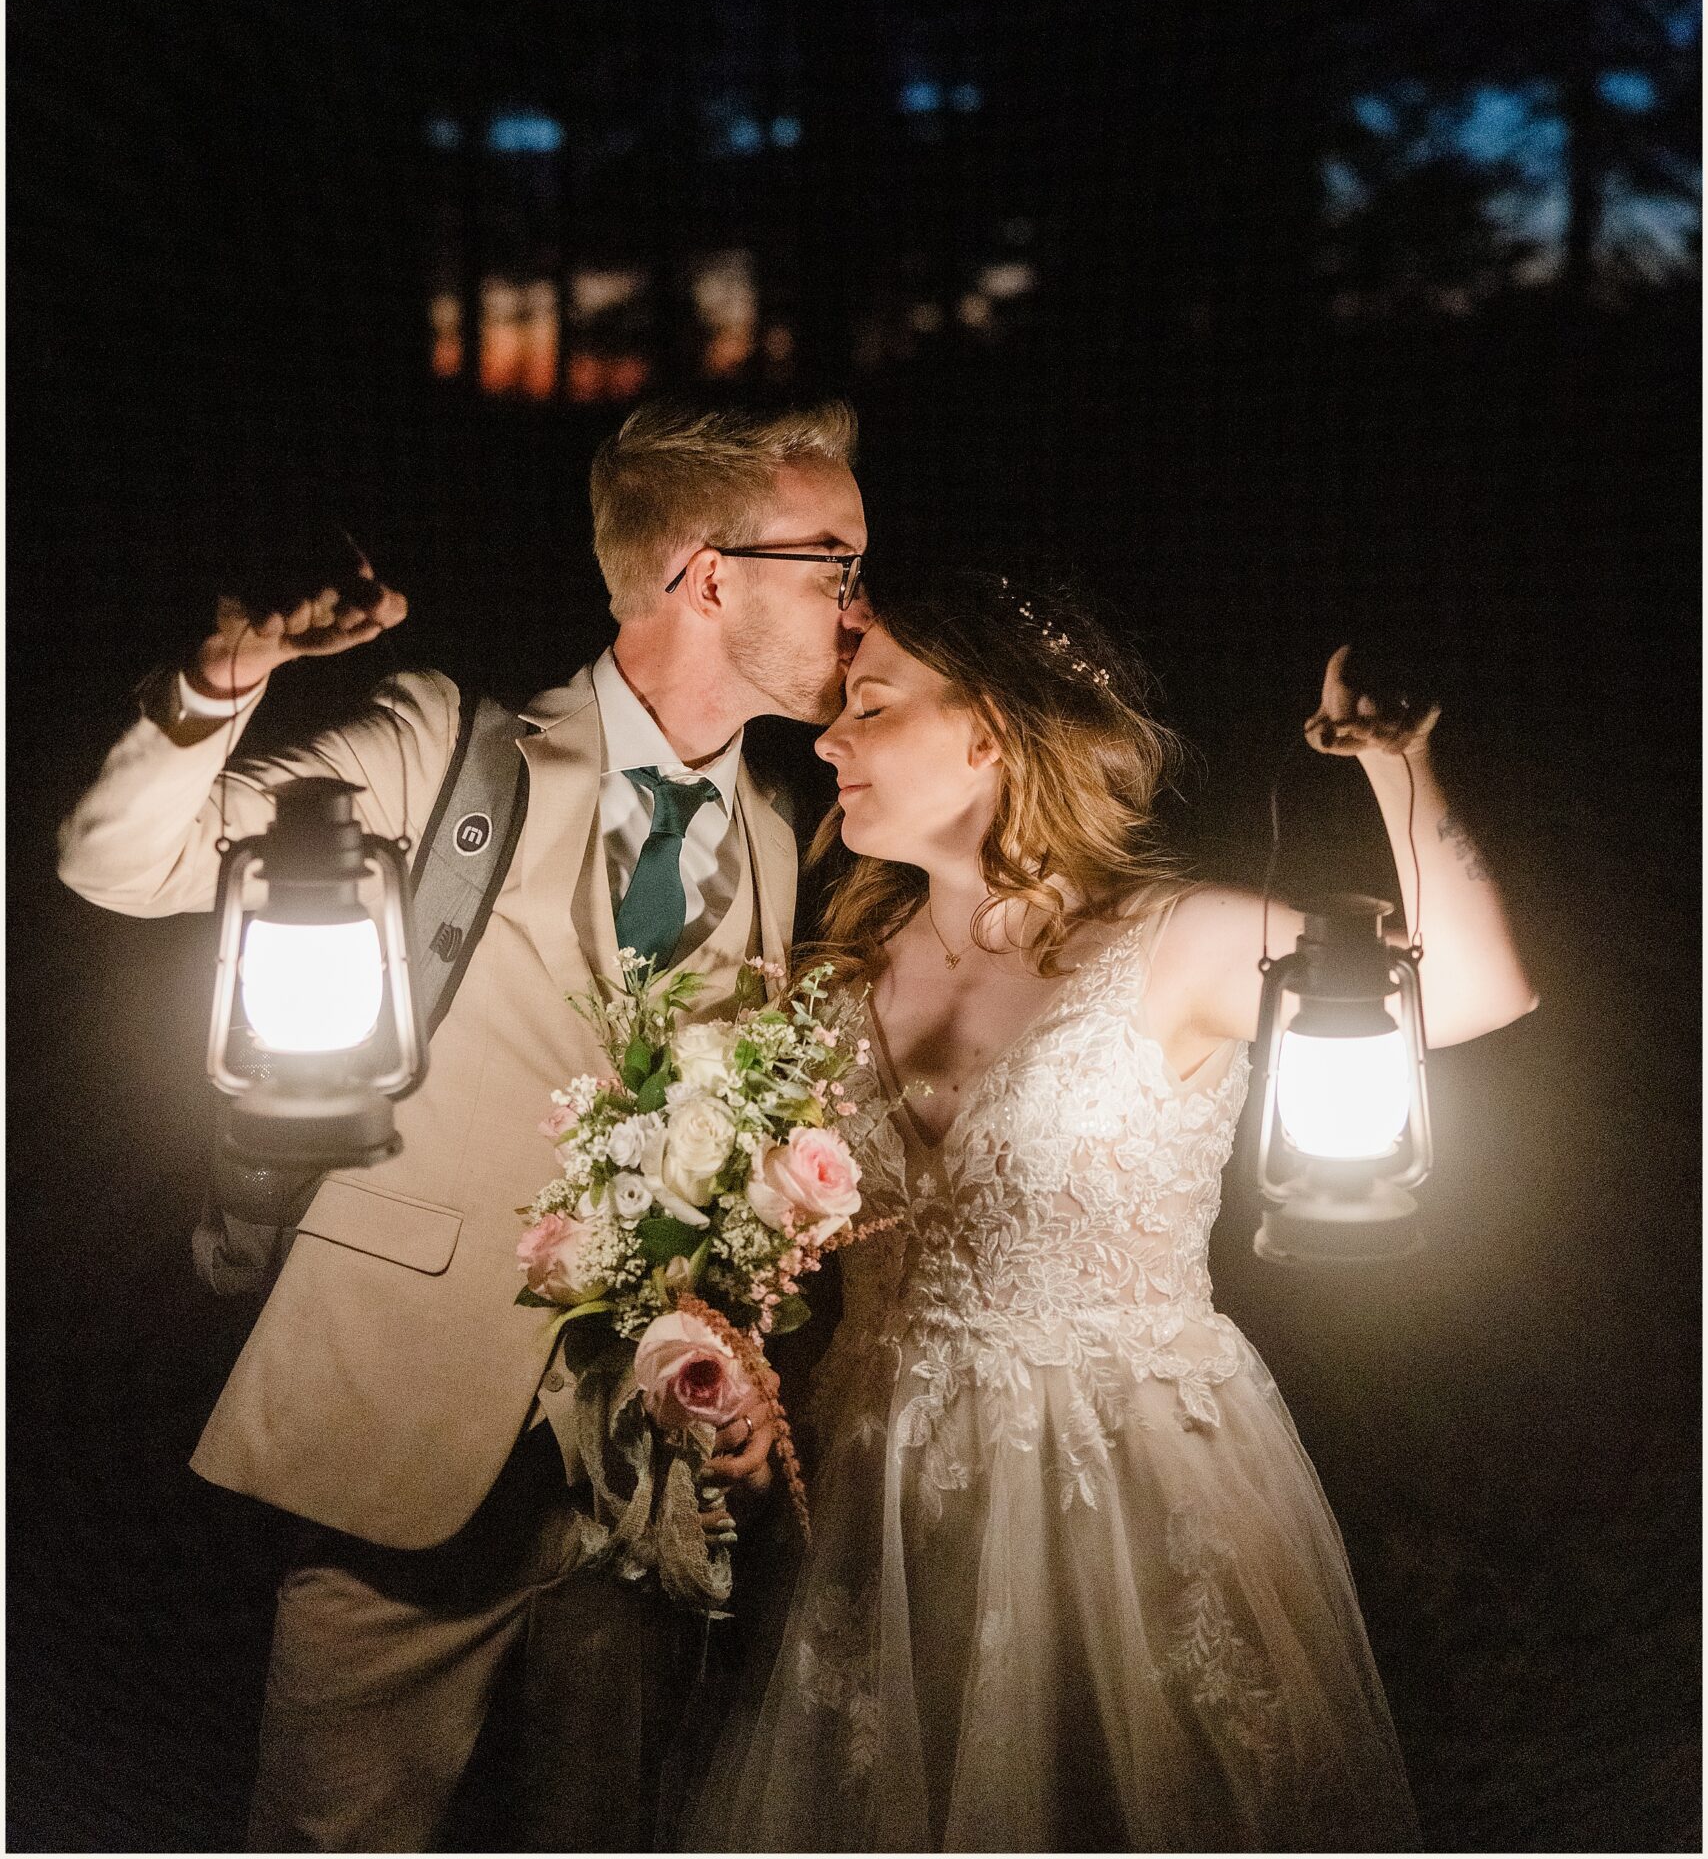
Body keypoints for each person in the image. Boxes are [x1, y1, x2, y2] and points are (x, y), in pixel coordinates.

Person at [56, 399, 869, 1853]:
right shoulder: (450, 752)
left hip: (642, 1481)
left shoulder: (767, 830)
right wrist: (225, 672)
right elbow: (126, 861)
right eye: (838, 566)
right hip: (405, 1441)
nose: (861, 612)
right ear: (709, 574)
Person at [684, 574, 1536, 1853]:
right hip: (877, 1499)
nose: (828, 741)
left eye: (869, 705)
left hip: (1124, 1488)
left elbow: (1470, 991)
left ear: (989, 733)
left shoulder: (1177, 942)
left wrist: (1401, 767)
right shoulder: (835, 972)